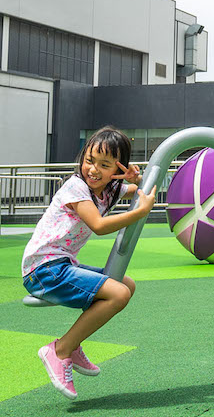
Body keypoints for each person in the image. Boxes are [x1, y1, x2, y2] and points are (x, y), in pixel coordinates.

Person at [21, 126, 156, 399]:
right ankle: (60, 350)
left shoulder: (107, 190)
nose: (93, 170)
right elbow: (98, 225)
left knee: (125, 284)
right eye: (89, 160)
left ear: (116, 170)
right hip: (43, 269)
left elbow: (134, 189)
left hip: (62, 264)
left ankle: (73, 343)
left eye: (104, 165)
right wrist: (141, 212)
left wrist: (134, 179)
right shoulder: (76, 187)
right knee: (118, 293)